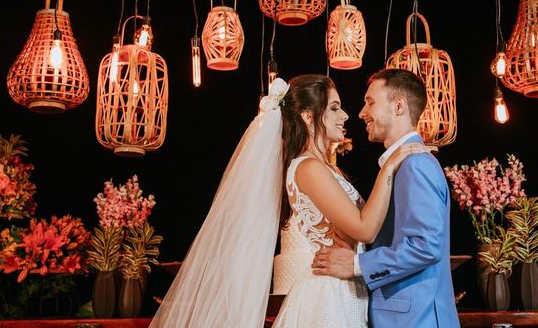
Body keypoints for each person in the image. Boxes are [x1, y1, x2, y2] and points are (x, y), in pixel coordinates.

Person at [149, 74, 428, 328]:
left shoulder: (328, 168)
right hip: (328, 296)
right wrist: (389, 167)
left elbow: (368, 227)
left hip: (347, 288)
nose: (345, 115)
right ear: (308, 116)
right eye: (333, 107)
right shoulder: (307, 168)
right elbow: (365, 228)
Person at [313, 68, 460, 327]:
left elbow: (426, 246)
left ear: (399, 106)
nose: (361, 113)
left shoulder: (415, 164)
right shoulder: (401, 164)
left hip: (416, 319)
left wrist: (357, 264)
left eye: (370, 102)